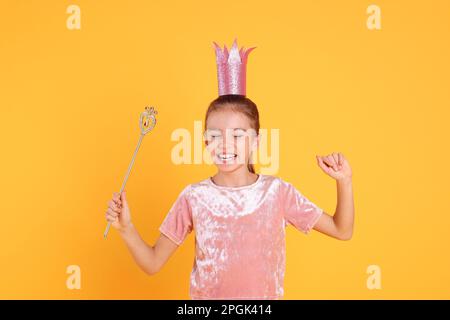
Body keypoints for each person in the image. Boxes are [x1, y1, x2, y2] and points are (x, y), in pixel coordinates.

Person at [104, 40, 354, 300]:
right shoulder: (194, 197)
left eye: (237, 135)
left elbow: (342, 230)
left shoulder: (277, 192)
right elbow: (153, 263)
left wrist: (344, 182)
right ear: (205, 141)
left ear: (256, 141)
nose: (225, 144)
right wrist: (126, 228)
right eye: (216, 135)